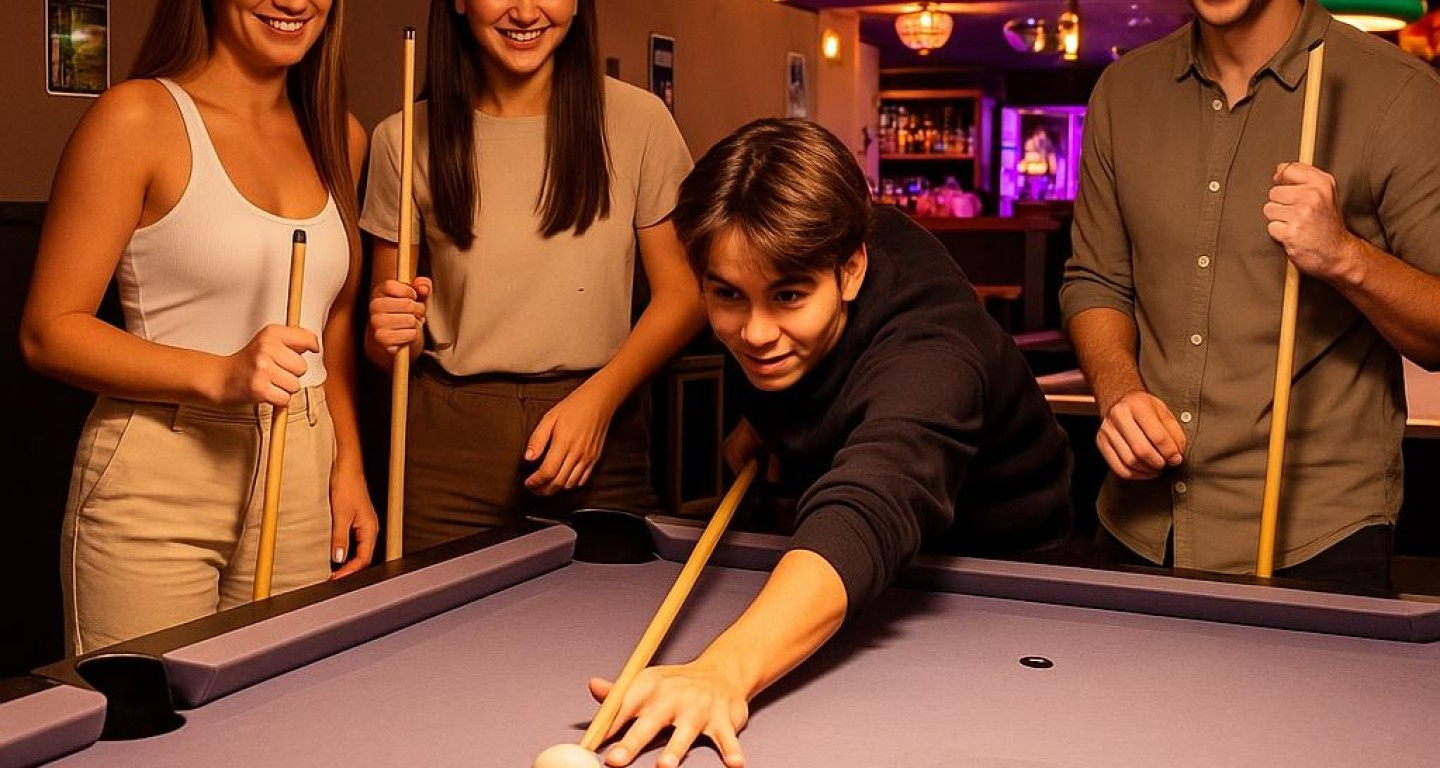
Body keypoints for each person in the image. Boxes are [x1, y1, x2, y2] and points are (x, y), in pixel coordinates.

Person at [586, 118, 1073, 768]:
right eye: (728, 295)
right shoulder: (786, 260)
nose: (755, 333)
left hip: (1005, 571)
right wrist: (771, 423)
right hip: (845, 561)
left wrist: (723, 669)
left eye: (788, 296)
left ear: (850, 270)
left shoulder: (933, 348)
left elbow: (873, 500)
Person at [20, 0, 377, 654]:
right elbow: (48, 331)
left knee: (281, 704)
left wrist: (347, 463)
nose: (295, 2)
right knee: (149, 712)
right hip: (163, 465)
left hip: (303, 460)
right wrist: (219, 373)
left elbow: (334, 321)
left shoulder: (340, 136)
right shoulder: (136, 117)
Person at [1061, 0, 1440, 589]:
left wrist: (1344, 256)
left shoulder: (1398, 93)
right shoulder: (1123, 90)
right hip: (1139, 525)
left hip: (1318, 536)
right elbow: (1096, 280)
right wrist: (1118, 392)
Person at [362, 0, 702, 551]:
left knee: (614, 607)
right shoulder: (401, 136)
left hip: (600, 435)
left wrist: (599, 401)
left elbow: (685, 295)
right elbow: (389, 346)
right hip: (448, 451)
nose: (525, 12)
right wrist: (391, 331)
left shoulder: (640, 121)